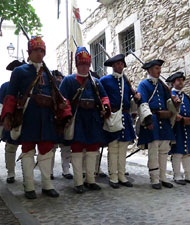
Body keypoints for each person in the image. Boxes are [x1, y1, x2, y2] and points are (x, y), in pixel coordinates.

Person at [1, 36, 72, 199]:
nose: (39, 54)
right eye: (36, 50)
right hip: (28, 116)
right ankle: (29, 186)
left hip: (46, 117)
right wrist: (7, 116)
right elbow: (11, 95)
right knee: (27, 150)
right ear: (29, 52)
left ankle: (47, 184)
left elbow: (55, 95)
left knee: (47, 150)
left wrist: (61, 108)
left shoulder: (48, 73)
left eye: (41, 51)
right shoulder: (19, 72)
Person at [59, 46, 111, 194]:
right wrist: (67, 114)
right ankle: (78, 182)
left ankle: (90, 180)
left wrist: (105, 107)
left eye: (86, 64)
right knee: (76, 150)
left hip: (93, 118)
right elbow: (63, 100)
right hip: (78, 118)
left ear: (89, 65)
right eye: (81, 64)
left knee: (92, 150)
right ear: (77, 64)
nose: (84, 67)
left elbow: (104, 97)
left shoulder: (95, 82)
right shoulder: (68, 81)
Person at [137, 59, 180, 189]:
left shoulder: (162, 86)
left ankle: (163, 177)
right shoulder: (144, 85)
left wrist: (175, 103)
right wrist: (148, 120)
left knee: (164, 150)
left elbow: (168, 103)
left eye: (159, 68)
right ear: (150, 70)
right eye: (156, 68)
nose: (159, 71)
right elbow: (143, 102)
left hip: (165, 120)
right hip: (152, 119)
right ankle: (154, 179)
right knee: (153, 150)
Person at [100, 54, 140, 189]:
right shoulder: (105, 80)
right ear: (113, 66)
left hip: (125, 116)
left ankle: (122, 175)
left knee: (123, 149)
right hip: (112, 117)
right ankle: (113, 176)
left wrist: (136, 97)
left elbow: (131, 99)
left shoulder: (126, 82)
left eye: (121, 64)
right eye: (117, 64)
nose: (119, 66)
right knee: (113, 148)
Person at [166, 72, 190, 185]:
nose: (181, 82)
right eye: (178, 80)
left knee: (188, 152)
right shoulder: (170, 95)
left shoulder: (186, 97)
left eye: (182, 80)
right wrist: (175, 116)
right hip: (176, 128)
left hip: (187, 127)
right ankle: (177, 175)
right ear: (173, 82)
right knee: (177, 152)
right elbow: (168, 110)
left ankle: (188, 175)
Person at [0, 60, 25, 183]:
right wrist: (0, 119)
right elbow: (0, 104)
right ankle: (11, 173)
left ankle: (27, 174)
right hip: (11, 121)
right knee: (11, 148)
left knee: (28, 149)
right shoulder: (5, 86)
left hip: (26, 121)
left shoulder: (28, 87)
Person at [50, 70, 73, 180]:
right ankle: (49, 171)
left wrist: (68, 117)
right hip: (53, 121)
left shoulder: (66, 88)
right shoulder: (50, 88)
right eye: (57, 77)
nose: (59, 79)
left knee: (66, 147)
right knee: (51, 148)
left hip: (64, 121)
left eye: (60, 77)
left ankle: (66, 170)